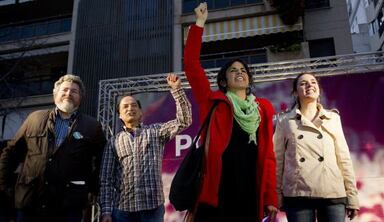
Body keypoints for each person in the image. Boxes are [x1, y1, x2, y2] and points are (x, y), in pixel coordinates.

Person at [183, 3, 278, 222]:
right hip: (216, 193)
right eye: (233, 71)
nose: (239, 73)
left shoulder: (262, 109)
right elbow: (191, 65)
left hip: (249, 193)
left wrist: (270, 196)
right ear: (224, 81)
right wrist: (199, 24)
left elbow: (269, 157)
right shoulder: (214, 103)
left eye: (243, 70)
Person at [0, 74, 107, 222]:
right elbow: (10, 153)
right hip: (30, 201)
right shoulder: (34, 118)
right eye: (65, 90)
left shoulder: (92, 126)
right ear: (55, 94)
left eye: (74, 91)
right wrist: (4, 186)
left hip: (69, 206)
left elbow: (103, 161)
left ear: (81, 98)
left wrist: (91, 189)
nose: (68, 94)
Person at [98, 73, 192, 222]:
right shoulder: (113, 142)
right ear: (120, 115)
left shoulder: (155, 132)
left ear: (141, 112)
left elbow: (184, 121)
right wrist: (106, 211)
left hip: (152, 209)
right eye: (125, 107)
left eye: (134, 105)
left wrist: (177, 90)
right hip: (122, 211)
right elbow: (106, 180)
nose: (130, 108)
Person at [273, 73, 359, 222]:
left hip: (332, 192)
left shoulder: (333, 118)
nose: (309, 85)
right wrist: (277, 196)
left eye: (313, 82)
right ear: (295, 92)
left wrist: (352, 197)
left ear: (319, 89)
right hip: (298, 193)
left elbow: (344, 159)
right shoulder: (285, 121)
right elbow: (277, 160)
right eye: (303, 83)